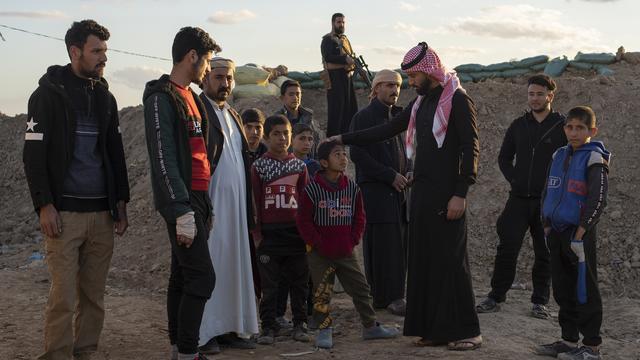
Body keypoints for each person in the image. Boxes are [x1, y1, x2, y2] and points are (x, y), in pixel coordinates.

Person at [329, 42, 482, 351]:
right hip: (422, 195)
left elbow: (471, 150)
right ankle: (436, 329)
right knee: (426, 262)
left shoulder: (458, 101)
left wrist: (460, 194)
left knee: (451, 262)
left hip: (447, 196)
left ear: (429, 72)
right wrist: (344, 138)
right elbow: (386, 130)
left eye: (412, 77)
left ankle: (468, 331)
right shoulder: (421, 103)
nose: (410, 83)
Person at [23, 19, 130, 360]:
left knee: (94, 295)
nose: (103, 58)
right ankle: (56, 355)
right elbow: (33, 155)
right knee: (64, 297)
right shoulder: (46, 96)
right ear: (75, 52)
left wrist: (121, 202)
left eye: (105, 52)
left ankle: (87, 352)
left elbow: (115, 151)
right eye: (96, 51)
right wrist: (44, 205)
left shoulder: (105, 98)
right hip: (63, 216)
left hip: (101, 214)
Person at [143, 26, 219, 360]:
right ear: (192, 57)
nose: (208, 69)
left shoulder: (191, 97)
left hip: (198, 198)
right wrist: (180, 210)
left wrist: (206, 205)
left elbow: (200, 153)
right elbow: (163, 157)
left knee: (182, 274)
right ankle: (189, 352)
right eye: (207, 62)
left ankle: (177, 348)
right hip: (182, 201)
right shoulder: (162, 98)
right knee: (203, 277)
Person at [477, 75, 567, 318]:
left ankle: (540, 301)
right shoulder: (518, 125)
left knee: (545, 252)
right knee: (507, 248)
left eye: (539, 94)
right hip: (517, 199)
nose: (534, 98)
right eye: (531, 94)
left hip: (547, 202)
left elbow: (571, 160)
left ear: (550, 95)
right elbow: (504, 158)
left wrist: (558, 190)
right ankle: (495, 296)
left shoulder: (562, 126)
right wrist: (515, 179)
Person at [297, 140, 400, 349]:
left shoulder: (352, 188)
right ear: (324, 162)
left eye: (344, 154)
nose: (343, 158)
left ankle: (370, 326)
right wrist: (316, 242)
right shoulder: (312, 190)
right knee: (322, 292)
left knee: (361, 288)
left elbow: (359, 217)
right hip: (320, 253)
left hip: (345, 251)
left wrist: (353, 239)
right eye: (338, 155)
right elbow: (303, 220)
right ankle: (324, 329)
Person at [535, 106, 610, 360]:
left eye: (580, 128)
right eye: (570, 127)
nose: (574, 132)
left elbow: (597, 199)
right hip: (556, 232)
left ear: (592, 131)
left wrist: (582, 230)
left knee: (584, 289)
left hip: (579, 236)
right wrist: (546, 224)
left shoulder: (594, 159)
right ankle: (568, 340)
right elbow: (548, 190)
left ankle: (591, 347)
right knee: (563, 289)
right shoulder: (558, 154)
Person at [197, 57, 259, 354]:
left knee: (233, 266)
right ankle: (205, 331)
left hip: (235, 210)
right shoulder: (198, 110)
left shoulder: (232, 114)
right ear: (206, 79)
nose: (225, 83)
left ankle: (230, 327)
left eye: (229, 78)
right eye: (219, 77)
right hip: (211, 207)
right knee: (211, 267)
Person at [349, 69, 408, 315]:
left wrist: (409, 170)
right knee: (381, 246)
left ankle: (393, 295)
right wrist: (389, 175)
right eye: (388, 85)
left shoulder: (398, 117)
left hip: (399, 191)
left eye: (397, 85)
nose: (394, 90)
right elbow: (357, 153)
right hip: (375, 191)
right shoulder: (363, 118)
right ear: (375, 89)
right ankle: (386, 297)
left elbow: (409, 149)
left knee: (397, 244)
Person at [251, 115, 311, 345]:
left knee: (299, 283)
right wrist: (257, 235)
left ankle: (300, 324)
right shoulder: (259, 166)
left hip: (295, 235)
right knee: (270, 286)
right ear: (266, 137)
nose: (282, 138)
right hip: (269, 236)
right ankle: (268, 327)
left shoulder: (299, 166)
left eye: (286, 133)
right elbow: (254, 203)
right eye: (276, 133)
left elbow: (306, 204)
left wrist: (307, 235)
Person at [321, 12, 358, 136]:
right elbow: (328, 57)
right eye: (339, 22)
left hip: (347, 77)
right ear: (333, 23)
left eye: (343, 22)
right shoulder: (328, 39)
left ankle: (347, 136)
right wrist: (344, 60)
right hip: (334, 78)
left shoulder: (344, 39)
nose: (341, 24)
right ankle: (333, 139)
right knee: (337, 109)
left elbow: (351, 55)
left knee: (350, 108)